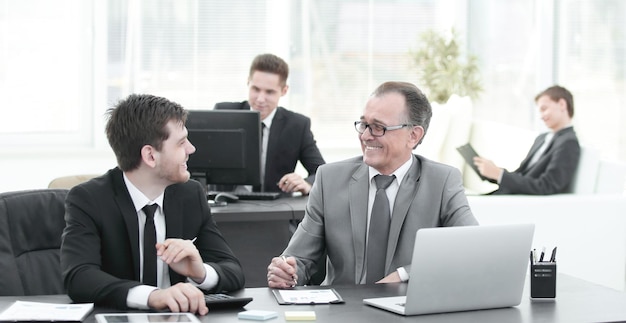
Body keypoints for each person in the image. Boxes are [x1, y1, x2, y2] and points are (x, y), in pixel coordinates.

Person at [266, 81, 478, 288]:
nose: (366, 136)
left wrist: (404, 275)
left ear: (413, 135)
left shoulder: (442, 182)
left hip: (409, 309)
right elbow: (300, 259)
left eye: (378, 128)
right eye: (364, 124)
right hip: (344, 311)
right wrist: (288, 272)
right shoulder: (329, 179)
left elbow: (473, 248)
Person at [61, 94, 245, 314]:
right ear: (150, 156)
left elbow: (233, 270)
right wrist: (152, 296)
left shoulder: (190, 194)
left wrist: (200, 272)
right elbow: (79, 277)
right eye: (181, 143)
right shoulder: (89, 199)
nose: (191, 149)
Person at [214, 53, 325, 195]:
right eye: (256, 89)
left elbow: (321, 173)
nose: (260, 99)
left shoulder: (297, 125)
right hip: (226, 206)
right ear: (248, 82)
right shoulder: (223, 114)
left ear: (284, 91)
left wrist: (307, 184)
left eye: (269, 92)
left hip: (273, 210)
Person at [473, 85, 580, 195]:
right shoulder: (541, 138)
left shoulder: (568, 143)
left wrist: (499, 174)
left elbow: (546, 186)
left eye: (544, 109)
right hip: (507, 195)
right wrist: (493, 173)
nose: (541, 116)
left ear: (562, 104)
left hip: (519, 202)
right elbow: (521, 175)